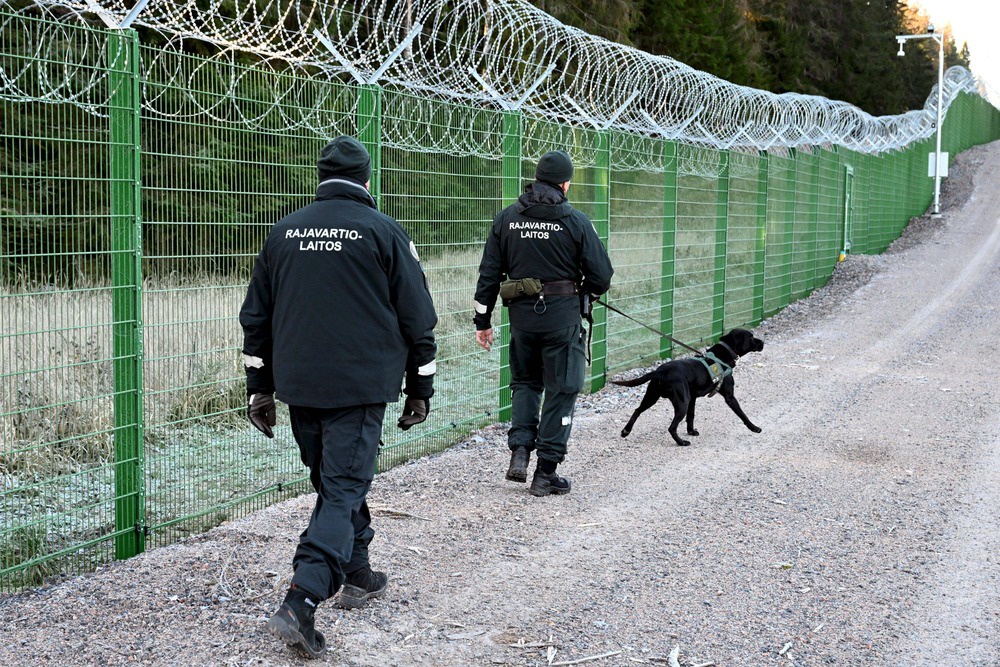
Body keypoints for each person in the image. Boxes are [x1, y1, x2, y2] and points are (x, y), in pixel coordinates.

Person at [239, 136, 437, 659]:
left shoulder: (284, 232)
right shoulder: (384, 231)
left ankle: (357, 571)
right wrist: (420, 388)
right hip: (360, 385)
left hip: (300, 384)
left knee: (335, 484)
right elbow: (419, 319)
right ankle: (302, 599)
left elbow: (256, 317)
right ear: (367, 179)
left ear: (321, 177)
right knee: (344, 485)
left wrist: (259, 387)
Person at [473, 149, 613, 497]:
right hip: (562, 320)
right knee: (561, 389)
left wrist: (482, 321)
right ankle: (546, 472)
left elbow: (489, 274)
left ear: (535, 180)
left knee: (525, 382)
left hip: (522, 321)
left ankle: (520, 451)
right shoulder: (576, 221)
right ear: (565, 184)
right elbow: (602, 275)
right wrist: (584, 294)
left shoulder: (507, 219)